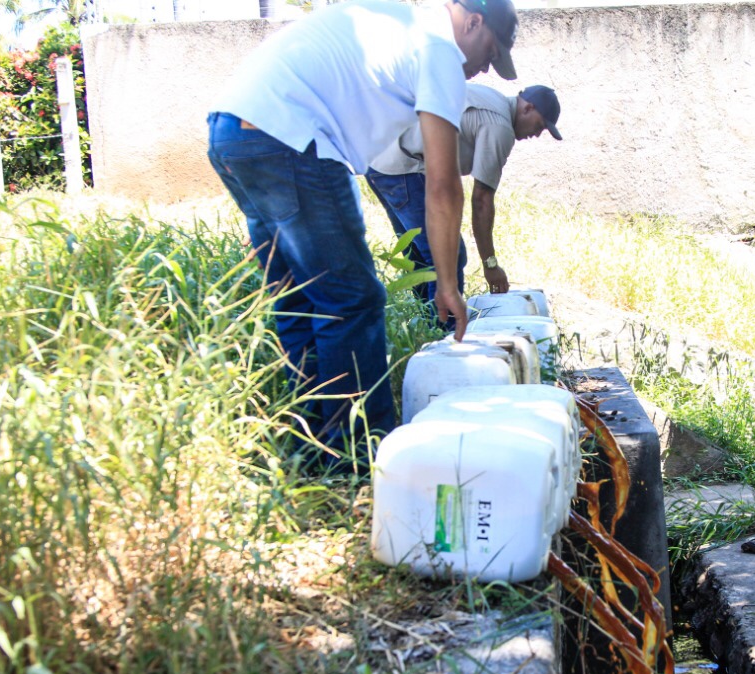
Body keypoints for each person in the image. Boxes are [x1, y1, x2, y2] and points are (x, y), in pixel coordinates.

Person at [205, 0, 518, 471]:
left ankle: (311, 453)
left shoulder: (399, 21)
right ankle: (365, 464)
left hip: (233, 130)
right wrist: (448, 285)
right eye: (489, 52)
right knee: (352, 300)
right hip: (290, 137)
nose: (482, 69)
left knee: (298, 298)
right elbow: (441, 182)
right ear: (473, 22)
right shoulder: (438, 51)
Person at [364, 83, 561, 309]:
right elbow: (482, 201)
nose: (536, 134)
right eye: (539, 125)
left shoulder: (491, 97)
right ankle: (445, 333)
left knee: (420, 255)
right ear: (527, 108)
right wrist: (490, 265)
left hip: (379, 159)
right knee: (448, 255)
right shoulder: (500, 127)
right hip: (402, 166)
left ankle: (425, 328)